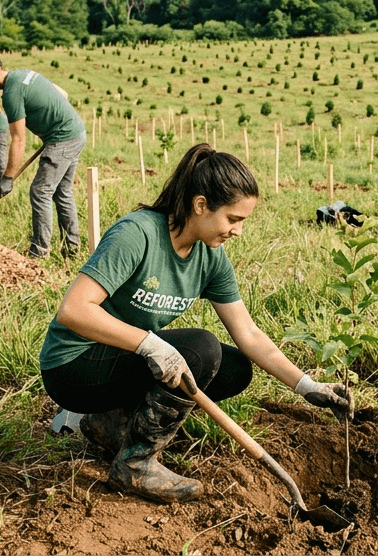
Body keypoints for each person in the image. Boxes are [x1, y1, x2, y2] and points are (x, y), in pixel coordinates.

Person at [41, 144, 352, 503]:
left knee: (234, 368)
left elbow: (248, 333)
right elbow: (74, 310)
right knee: (201, 348)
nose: (237, 232)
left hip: (119, 361)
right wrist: (150, 344)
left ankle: (113, 424)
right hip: (73, 366)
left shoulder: (210, 258)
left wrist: (306, 385)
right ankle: (135, 464)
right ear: (201, 205)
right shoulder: (137, 235)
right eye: (233, 219)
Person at [0, 53, 86, 258]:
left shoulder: (11, 93)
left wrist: (7, 178)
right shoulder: (24, 74)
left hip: (63, 139)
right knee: (62, 192)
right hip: (76, 132)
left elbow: (18, 139)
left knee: (40, 191)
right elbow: (63, 93)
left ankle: (40, 253)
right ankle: (72, 248)